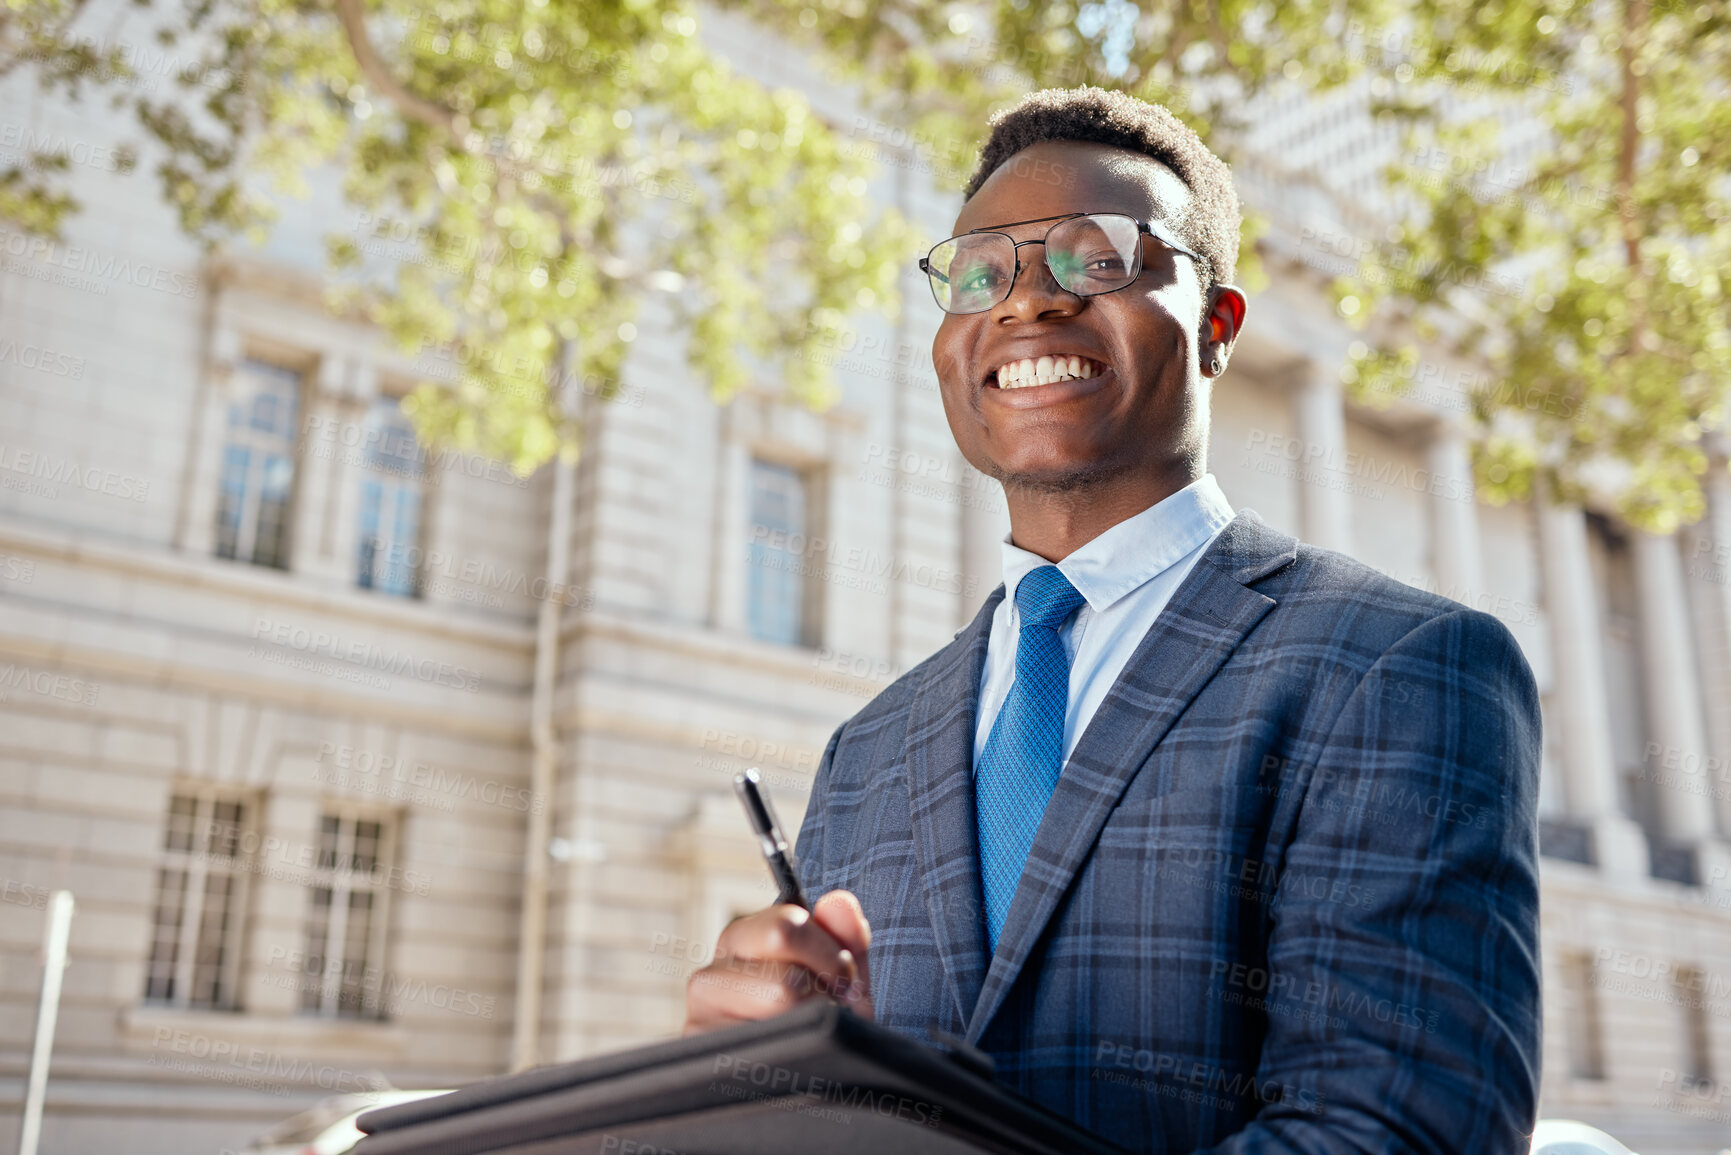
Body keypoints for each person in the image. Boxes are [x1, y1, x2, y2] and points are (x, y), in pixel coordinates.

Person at [685, 85, 1541, 1154]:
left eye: (1097, 258)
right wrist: (770, 1092)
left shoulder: (1398, 669)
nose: (1025, 301)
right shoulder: (868, 749)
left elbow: (1389, 1136)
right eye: (979, 273)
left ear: (1216, 327)